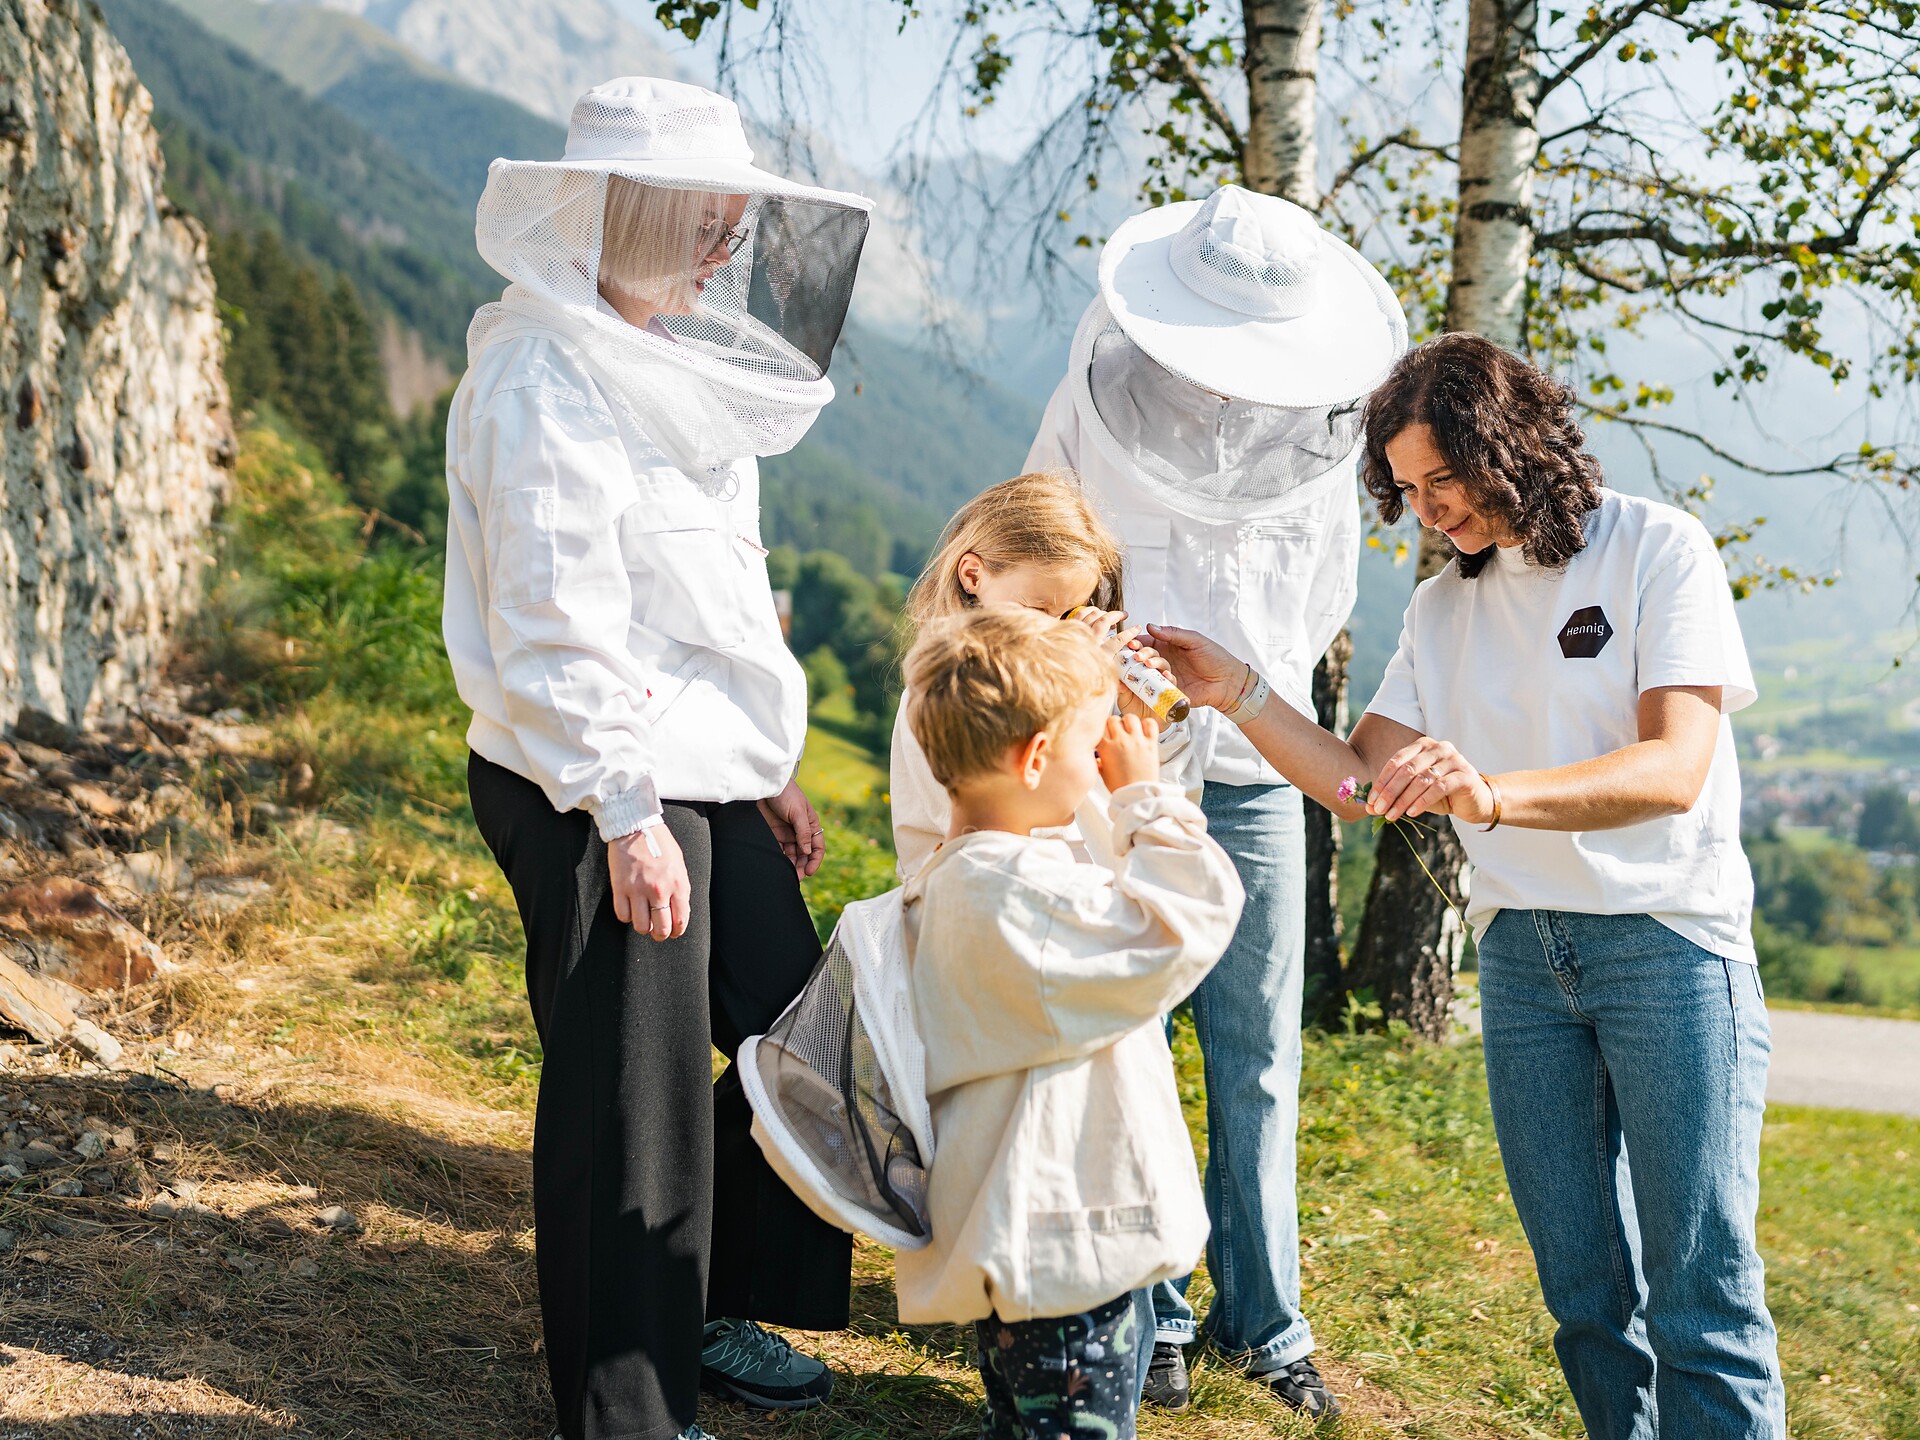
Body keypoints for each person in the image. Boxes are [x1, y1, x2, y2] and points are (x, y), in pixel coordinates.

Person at [1149, 333, 1787, 1439]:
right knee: (1585, 1300)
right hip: (1525, 963)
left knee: (1701, 1298)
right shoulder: (1444, 608)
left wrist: (1487, 795)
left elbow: (1673, 768)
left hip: (1670, 952)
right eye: (1405, 487)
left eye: (1443, 477)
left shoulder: (1655, 550)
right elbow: (1359, 781)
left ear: (1514, 443)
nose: (1428, 508)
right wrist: (1237, 691)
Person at [443, 77, 874, 1440]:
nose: (722, 255)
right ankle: (627, 1408)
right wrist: (629, 814)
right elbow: (553, 616)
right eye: (703, 224)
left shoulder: (670, 358)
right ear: (623, 214)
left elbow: (717, 603)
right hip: (586, 778)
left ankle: (713, 1305)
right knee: (632, 1088)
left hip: (695, 769)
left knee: (797, 1024)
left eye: (734, 229)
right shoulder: (538, 368)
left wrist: (763, 770)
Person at [1025, 182, 1407, 1416]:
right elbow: (1039, 549)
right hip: (1121, 760)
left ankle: (1271, 1321)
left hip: (1253, 767)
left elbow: (1322, 601)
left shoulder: (1320, 432)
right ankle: (1154, 1308)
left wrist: (1242, 694)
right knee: (1127, 1036)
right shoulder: (1100, 386)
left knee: (1256, 1055)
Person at [892, 608, 1245, 1439]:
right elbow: (1191, 915)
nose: (1103, 759)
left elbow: (1097, 888)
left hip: (1013, 1245)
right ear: (1039, 757)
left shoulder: (959, 879)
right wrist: (1143, 798)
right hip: (1067, 1257)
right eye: (1091, 744)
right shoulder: (1031, 898)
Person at [890, 471, 1198, 882]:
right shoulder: (951, 690)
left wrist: (1150, 733)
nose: (1055, 631)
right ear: (973, 576)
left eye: (1071, 612)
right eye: (1037, 609)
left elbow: (1177, 812)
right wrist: (1081, 691)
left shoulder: (1071, 686)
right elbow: (1024, 827)